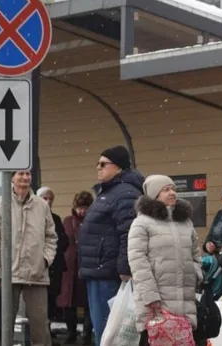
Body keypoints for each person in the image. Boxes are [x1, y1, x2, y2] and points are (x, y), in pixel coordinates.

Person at [78, 146, 144, 346]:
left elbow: (129, 233)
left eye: (103, 164)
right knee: (104, 332)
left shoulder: (124, 194)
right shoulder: (109, 192)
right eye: (97, 164)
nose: (98, 167)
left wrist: (125, 268)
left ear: (119, 168)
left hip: (109, 274)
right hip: (98, 271)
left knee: (110, 334)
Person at [0, 170, 58, 346]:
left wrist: (44, 260)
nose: (25, 177)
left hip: (37, 274)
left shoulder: (42, 205)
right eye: (20, 174)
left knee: (40, 327)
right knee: (4, 327)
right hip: (8, 274)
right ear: (12, 177)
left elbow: (51, 237)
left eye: (28, 174)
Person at [129, 175, 203, 345]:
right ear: (154, 194)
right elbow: (137, 261)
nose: (172, 193)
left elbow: (195, 254)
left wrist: (195, 272)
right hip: (156, 301)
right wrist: (150, 295)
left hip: (185, 299)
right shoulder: (142, 223)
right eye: (166, 189)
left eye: (174, 189)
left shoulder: (185, 222)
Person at [59, 191, 94, 345]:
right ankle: (71, 332)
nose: (82, 211)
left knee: (87, 302)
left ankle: (87, 335)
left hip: (86, 264)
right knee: (68, 301)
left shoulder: (93, 221)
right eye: (80, 207)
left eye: (85, 207)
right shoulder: (67, 221)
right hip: (69, 267)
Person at [37, 187, 69, 331]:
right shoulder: (34, 217)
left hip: (55, 266)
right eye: (45, 198)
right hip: (40, 265)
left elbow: (63, 240)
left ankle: (47, 330)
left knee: (51, 300)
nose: (48, 201)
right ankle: (42, 330)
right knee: (39, 301)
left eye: (50, 198)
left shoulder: (55, 218)